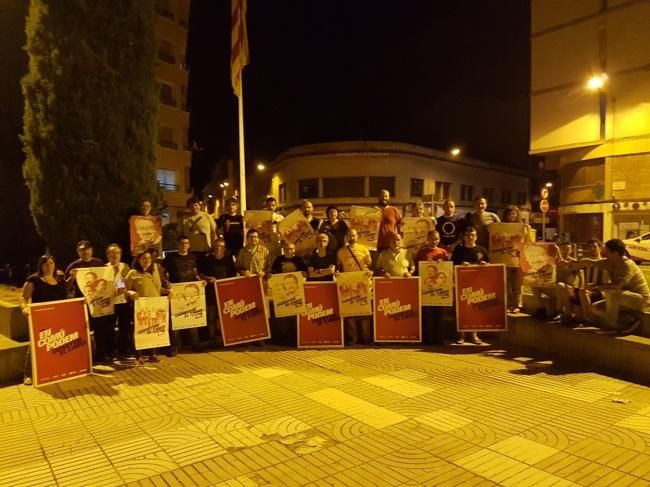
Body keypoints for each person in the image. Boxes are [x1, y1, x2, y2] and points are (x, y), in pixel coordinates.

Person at [565, 239, 649, 334]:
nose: (605, 254)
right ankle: (626, 323)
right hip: (622, 297)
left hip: (640, 300)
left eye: (607, 252)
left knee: (612, 292)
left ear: (616, 253)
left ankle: (611, 327)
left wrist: (597, 286)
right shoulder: (610, 262)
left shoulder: (627, 265)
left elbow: (618, 286)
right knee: (596, 308)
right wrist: (568, 264)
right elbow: (589, 262)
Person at [19, 255, 68, 385]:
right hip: (40, 317)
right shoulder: (34, 280)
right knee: (35, 345)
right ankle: (28, 374)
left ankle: (52, 369)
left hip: (58, 317)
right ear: (40, 266)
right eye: (45, 264)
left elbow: (67, 296)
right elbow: (23, 297)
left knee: (58, 343)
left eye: (51, 263)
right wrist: (24, 308)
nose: (49, 266)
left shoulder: (60, 278)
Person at [65, 240, 113, 363]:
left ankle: (101, 356)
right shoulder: (72, 266)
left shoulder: (99, 263)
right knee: (81, 330)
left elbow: (106, 280)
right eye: (81, 250)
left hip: (98, 303)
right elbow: (66, 287)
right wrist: (72, 277)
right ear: (78, 252)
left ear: (91, 250)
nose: (85, 252)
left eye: (87, 249)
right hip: (81, 304)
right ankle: (82, 357)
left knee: (100, 330)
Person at [125, 249, 169, 364]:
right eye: (144, 258)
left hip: (154, 306)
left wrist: (168, 291)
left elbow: (157, 289)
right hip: (140, 307)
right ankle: (138, 356)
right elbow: (125, 290)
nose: (147, 261)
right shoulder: (133, 273)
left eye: (149, 258)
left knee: (153, 330)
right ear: (138, 260)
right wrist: (131, 293)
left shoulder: (153, 272)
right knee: (139, 331)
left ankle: (152, 354)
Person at [162, 235, 202, 354]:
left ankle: (195, 344)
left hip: (190, 293)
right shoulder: (171, 257)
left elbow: (195, 272)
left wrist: (200, 281)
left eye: (186, 243)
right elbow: (161, 270)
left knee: (192, 318)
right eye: (181, 243)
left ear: (189, 245)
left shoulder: (193, 257)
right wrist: (165, 281)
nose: (184, 245)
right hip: (176, 292)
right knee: (175, 319)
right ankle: (175, 346)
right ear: (177, 244)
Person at [451, 227, 489, 345]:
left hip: (477, 285)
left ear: (476, 236)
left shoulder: (482, 250)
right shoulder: (459, 250)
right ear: (464, 237)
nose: (470, 237)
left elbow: (489, 264)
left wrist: (485, 264)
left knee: (475, 309)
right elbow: (451, 264)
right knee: (461, 310)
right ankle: (461, 335)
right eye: (468, 235)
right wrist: (461, 265)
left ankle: (474, 335)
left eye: (473, 235)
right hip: (461, 284)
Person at [337, 228, 373, 345]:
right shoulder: (341, 252)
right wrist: (337, 273)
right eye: (349, 236)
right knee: (350, 314)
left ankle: (366, 338)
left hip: (362, 285)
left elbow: (370, 266)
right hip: (348, 286)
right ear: (346, 237)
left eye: (353, 235)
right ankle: (353, 338)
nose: (351, 238)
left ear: (357, 236)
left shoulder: (364, 250)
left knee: (365, 313)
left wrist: (369, 272)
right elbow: (338, 268)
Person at [198, 238, 237, 345]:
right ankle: (212, 339)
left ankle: (226, 339)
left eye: (221, 246)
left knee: (225, 318)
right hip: (211, 292)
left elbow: (234, 275)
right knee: (211, 317)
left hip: (225, 293)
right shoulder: (207, 259)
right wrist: (207, 278)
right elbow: (200, 273)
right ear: (213, 247)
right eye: (217, 246)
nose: (219, 248)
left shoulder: (229, 259)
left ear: (224, 248)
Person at [270, 241, 307, 345]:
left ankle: (295, 338)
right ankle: (284, 338)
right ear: (283, 249)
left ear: (294, 249)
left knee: (294, 316)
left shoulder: (299, 260)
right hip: (282, 293)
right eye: (287, 249)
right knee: (283, 316)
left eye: (291, 249)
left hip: (296, 293)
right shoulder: (278, 260)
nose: (289, 251)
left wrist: (303, 275)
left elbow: (305, 273)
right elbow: (273, 273)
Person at [499, 205, 532, 313]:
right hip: (506, 258)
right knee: (507, 283)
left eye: (513, 214)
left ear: (517, 215)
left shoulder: (522, 227)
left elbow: (529, 241)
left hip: (518, 258)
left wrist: (527, 230)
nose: (511, 216)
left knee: (517, 283)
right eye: (509, 214)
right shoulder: (501, 227)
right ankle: (508, 305)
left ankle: (517, 304)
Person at [105, 244, 132, 360]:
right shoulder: (104, 268)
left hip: (123, 301)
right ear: (108, 255)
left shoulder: (125, 266)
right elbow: (104, 285)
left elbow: (128, 282)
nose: (115, 255)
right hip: (110, 302)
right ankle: (110, 352)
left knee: (124, 327)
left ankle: (123, 350)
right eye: (112, 253)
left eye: (117, 253)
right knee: (110, 328)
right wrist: (115, 273)